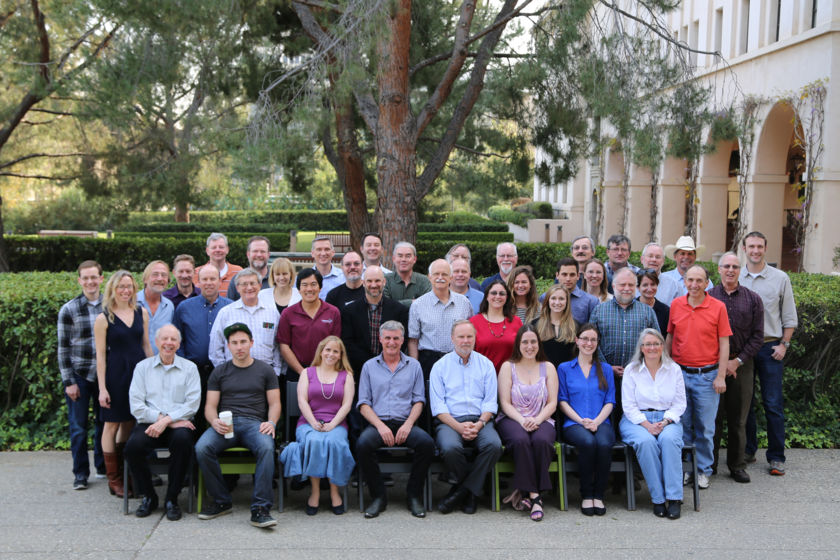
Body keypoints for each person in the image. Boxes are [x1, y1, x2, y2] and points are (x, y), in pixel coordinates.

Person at [196, 323, 281, 528]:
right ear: (228, 346)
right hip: (226, 425)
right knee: (202, 447)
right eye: (234, 343)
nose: (239, 347)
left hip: (255, 424)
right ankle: (221, 501)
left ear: (251, 343)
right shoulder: (220, 372)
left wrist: (271, 422)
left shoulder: (265, 370)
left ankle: (260, 508)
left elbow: (275, 403)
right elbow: (210, 406)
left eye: (243, 342)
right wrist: (213, 421)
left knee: (267, 447)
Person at [355, 321, 435, 519]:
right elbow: (364, 404)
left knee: (426, 444)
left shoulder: (414, 366)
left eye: (396, 338)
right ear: (381, 339)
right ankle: (378, 497)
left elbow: (419, 401)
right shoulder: (369, 367)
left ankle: (413, 495)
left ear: (403, 340)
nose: (391, 342)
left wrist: (408, 425)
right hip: (378, 423)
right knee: (363, 445)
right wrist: (380, 426)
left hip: (404, 422)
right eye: (388, 338)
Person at [125, 325, 200, 520]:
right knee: (133, 447)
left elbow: (192, 404)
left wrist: (168, 421)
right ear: (157, 342)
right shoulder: (142, 368)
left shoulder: (189, 368)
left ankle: (172, 499)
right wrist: (162, 420)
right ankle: (149, 496)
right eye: (164, 339)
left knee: (183, 442)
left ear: (179, 343)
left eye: (173, 339)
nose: (169, 343)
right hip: (150, 422)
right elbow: (137, 406)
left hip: (179, 424)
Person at [666, 265, 731, 490]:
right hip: (680, 374)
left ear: (706, 283)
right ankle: (686, 468)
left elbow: (724, 343)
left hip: (707, 375)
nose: (694, 285)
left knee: (705, 427)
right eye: (690, 280)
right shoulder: (676, 305)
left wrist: (721, 376)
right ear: (684, 281)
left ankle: (703, 469)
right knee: (682, 425)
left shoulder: (718, 307)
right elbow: (670, 338)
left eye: (699, 280)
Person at [740, 231, 798, 476]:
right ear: (744, 248)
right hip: (743, 350)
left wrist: (784, 344)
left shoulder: (780, 278)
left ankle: (776, 457)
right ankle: (748, 451)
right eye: (751, 246)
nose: (755, 250)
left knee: (773, 404)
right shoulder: (735, 275)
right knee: (745, 404)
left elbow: (789, 316)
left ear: (765, 248)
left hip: (770, 347)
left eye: (759, 246)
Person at [430, 320, 503, 514]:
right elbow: (438, 407)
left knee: (493, 446)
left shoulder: (486, 365)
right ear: (452, 338)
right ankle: (471, 492)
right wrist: (459, 427)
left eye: (469, 336)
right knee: (450, 447)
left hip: (481, 420)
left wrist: (479, 425)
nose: (465, 341)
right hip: (450, 421)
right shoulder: (440, 366)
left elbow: (490, 402)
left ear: (475, 338)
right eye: (461, 337)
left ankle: (461, 491)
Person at [281, 336, 355, 516]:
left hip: (336, 423)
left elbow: (346, 405)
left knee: (334, 442)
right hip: (308, 422)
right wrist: (313, 422)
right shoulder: (307, 373)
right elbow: (302, 401)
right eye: (328, 350)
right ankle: (314, 491)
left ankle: (334, 491)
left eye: (335, 351)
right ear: (321, 352)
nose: (331, 354)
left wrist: (332, 425)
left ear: (340, 355)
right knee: (314, 441)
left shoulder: (347, 376)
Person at [94, 271, 153, 497]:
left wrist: (153, 375)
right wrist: (102, 388)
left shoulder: (141, 312)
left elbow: (146, 345)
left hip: (137, 374)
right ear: (112, 289)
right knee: (112, 425)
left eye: (129, 286)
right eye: (121, 286)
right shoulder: (103, 318)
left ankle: (125, 471)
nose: (125, 290)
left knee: (129, 423)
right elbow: (100, 356)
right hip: (115, 375)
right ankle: (114, 479)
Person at [709, 252, 764, 483]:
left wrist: (737, 361)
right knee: (712, 417)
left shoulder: (753, 299)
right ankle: (708, 465)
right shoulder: (708, 297)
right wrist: (721, 363)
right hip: (712, 364)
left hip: (742, 365)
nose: (730, 270)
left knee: (738, 419)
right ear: (719, 269)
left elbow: (758, 336)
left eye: (735, 266)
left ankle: (737, 465)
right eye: (726, 266)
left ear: (740, 270)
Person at [620, 328, 686, 520]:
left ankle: (674, 498)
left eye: (656, 343)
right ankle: (657, 499)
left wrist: (666, 421)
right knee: (646, 443)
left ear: (662, 346)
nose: (652, 348)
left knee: (669, 441)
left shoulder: (674, 369)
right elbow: (628, 405)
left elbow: (680, 403)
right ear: (641, 348)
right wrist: (647, 425)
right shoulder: (632, 369)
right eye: (648, 344)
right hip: (636, 420)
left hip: (667, 418)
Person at [496, 325, 558, 521]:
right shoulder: (508, 367)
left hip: (542, 417)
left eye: (533, 342)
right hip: (513, 417)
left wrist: (538, 419)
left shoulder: (548, 367)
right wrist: (522, 420)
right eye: (525, 342)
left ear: (539, 344)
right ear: (518, 344)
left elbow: (553, 402)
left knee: (542, 441)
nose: (529, 346)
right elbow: (505, 402)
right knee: (521, 440)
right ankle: (535, 496)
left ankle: (524, 492)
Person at [557, 323, 615, 516]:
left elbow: (610, 401)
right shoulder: (565, 368)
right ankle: (586, 494)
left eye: (593, 340)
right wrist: (582, 421)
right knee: (588, 443)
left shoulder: (605, 369)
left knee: (604, 444)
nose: (588, 343)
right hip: (574, 423)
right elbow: (562, 401)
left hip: (602, 421)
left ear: (597, 343)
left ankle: (598, 494)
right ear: (577, 341)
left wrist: (597, 421)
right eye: (585, 339)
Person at [58, 260, 106, 490]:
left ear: (101, 279)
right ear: (79, 281)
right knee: (78, 427)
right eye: (85, 278)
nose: (90, 282)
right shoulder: (69, 309)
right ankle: (80, 474)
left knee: (103, 423)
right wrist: (69, 382)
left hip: (104, 375)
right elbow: (63, 348)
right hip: (79, 374)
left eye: (93, 277)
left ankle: (103, 466)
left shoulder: (110, 305)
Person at [173, 264, 232, 431]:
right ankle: (195, 454)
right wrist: (184, 366)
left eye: (212, 278)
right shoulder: (184, 308)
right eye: (204, 279)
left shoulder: (231, 307)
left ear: (220, 281)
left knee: (223, 412)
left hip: (223, 371)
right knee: (195, 415)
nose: (208, 283)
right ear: (197, 282)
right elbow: (179, 340)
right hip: (194, 371)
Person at [209, 268, 283, 376]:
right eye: (244, 284)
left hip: (265, 375)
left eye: (253, 283)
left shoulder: (272, 312)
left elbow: (278, 344)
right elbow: (215, 347)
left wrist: (275, 371)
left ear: (260, 285)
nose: (249, 288)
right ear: (237, 288)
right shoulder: (226, 313)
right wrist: (224, 372)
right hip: (233, 375)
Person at [407, 259, 473, 378]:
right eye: (436, 274)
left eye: (445, 274)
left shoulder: (464, 303)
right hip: (428, 360)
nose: (440, 277)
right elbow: (413, 340)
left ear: (451, 278)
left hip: (457, 359)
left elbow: (470, 335)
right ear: (429, 277)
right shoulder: (418, 305)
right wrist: (414, 367)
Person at [340, 266, 409, 377]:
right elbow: (347, 343)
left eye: (377, 281)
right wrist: (371, 364)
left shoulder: (399, 310)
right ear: (363, 283)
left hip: (391, 370)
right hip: (359, 371)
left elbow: (402, 340)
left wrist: (383, 362)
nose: (373, 285)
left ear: (384, 282)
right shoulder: (349, 311)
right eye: (369, 281)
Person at [276, 269, 342, 382]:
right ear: (299, 289)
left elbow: (336, 344)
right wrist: (302, 371)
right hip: (296, 373)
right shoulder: (288, 313)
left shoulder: (333, 312)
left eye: (313, 284)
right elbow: (284, 346)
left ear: (320, 287)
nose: (309, 289)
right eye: (304, 285)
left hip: (326, 372)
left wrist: (323, 370)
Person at [469, 279, 523, 372]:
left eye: (502, 294)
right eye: (494, 293)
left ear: (506, 298)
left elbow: (522, 351)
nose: (497, 296)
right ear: (486, 296)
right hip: (481, 376)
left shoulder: (516, 322)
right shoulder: (473, 322)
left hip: (510, 376)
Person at [535, 285, 577, 369]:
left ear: (567, 302)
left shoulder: (576, 326)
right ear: (547, 301)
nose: (557, 302)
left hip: (567, 376)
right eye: (553, 298)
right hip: (542, 375)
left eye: (561, 299)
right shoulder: (535, 325)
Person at [136, 260, 175, 350]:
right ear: (145, 279)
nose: (160, 278)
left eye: (164, 275)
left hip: (161, 362)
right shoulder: (131, 302)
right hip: (135, 361)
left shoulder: (169, 306)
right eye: (155, 274)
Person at [550, 257, 599, 325]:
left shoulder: (591, 302)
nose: (568, 279)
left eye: (572, 275)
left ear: (578, 276)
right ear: (557, 275)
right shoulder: (545, 298)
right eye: (564, 274)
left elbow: (593, 329)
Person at [661, 236, 712, 301]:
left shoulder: (706, 282)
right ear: (675, 256)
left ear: (695, 257)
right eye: (682, 253)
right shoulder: (664, 279)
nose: (686, 257)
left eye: (690, 254)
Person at [194, 232, 243, 298]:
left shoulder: (238, 272)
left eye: (221, 247)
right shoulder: (196, 273)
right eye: (214, 247)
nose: (217, 250)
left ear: (227, 249)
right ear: (207, 251)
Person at [384, 241, 431, 307]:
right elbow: (385, 306)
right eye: (400, 256)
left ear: (414, 259)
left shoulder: (424, 281)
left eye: (408, 256)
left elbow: (428, 304)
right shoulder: (385, 280)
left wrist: (395, 304)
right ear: (393, 259)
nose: (403, 259)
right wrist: (412, 302)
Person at [227, 236, 271, 301]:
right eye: (255, 251)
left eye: (262, 251)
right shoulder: (236, 279)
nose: (259, 255)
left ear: (268, 255)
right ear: (248, 254)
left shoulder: (277, 279)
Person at [637, 270, 670, 335]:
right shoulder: (630, 308)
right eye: (645, 285)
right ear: (638, 287)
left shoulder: (665, 311)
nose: (649, 289)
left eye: (653, 284)